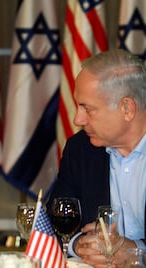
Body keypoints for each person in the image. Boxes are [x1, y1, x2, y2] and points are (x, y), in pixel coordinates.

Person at [47, 49, 146, 267]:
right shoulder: (80, 149)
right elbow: (54, 222)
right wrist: (80, 244)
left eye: (87, 109)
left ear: (127, 108)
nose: (77, 119)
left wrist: (137, 253)